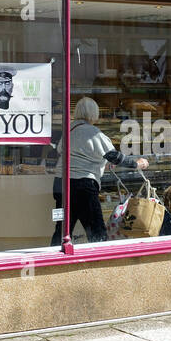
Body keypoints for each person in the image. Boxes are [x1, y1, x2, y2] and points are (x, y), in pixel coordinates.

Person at [50, 97, 148, 244]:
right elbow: (114, 156)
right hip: (83, 187)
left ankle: (54, 260)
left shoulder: (69, 129)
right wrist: (137, 164)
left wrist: (100, 164)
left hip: (61, 184)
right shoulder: (92, 131)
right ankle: (100, 263)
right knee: (97, 231)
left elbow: (66, 152)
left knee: (62, 229)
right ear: (93, 113)